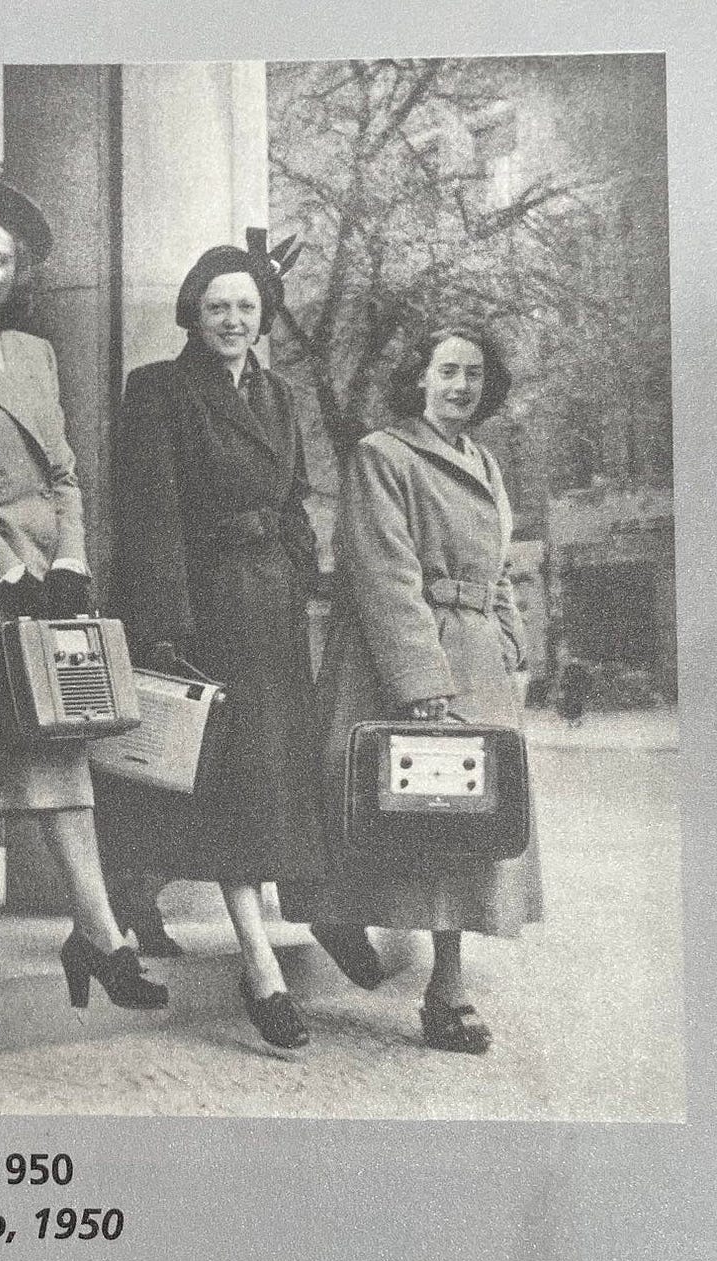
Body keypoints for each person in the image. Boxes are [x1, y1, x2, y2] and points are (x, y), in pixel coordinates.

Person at [0, 172, 165, 1010]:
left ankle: (47, 923)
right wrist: (5, 570)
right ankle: (67, 928)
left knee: (54, 749)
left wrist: (69, 564)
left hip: (48, 592)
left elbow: (64, 472)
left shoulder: (36, 355)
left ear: (20, 274)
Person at [280, 323, 543, 1054]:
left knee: (469, 826)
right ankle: (338, 916)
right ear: (419, 379)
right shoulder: (383, 454)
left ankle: (446, 988)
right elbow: (382, 571)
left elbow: (497, 564)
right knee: (395, 808)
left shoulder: (486, 464)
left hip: (477, 658)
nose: (462, 386)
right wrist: (420, 680)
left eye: (475, 374)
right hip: (397, 658)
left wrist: (511, 633)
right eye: (448, 371)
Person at [100, 237, 326, 1049]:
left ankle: (126, 903)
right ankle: (258, 962)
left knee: (263, 779)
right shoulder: (160, 389)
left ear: (264, 318)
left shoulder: (280, 396)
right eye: (218, 306)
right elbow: (149, 514)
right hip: (207, 609)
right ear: (194, 312)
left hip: (273, 608)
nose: (233, 320)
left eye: (247, 308)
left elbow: (297, 495)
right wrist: (164, 628)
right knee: (228, 784)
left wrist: (301, 564)